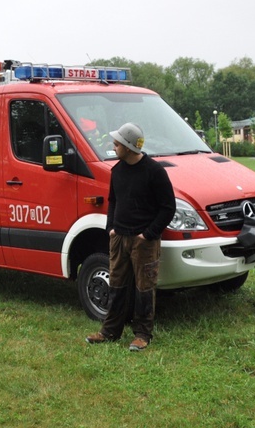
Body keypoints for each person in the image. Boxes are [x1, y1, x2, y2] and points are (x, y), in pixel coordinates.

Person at [85, 123, 176, 351]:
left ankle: (142, 335)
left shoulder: (154, 172)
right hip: (119, 238)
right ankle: (110, 331)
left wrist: (148, 234)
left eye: (116, 144)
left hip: (143, 242)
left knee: (144, 288)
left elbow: (168, 207)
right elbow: (113, 201)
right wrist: (111, 228)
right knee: (116, 285)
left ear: (128, 146)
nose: (113, 147)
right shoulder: (117, 171)